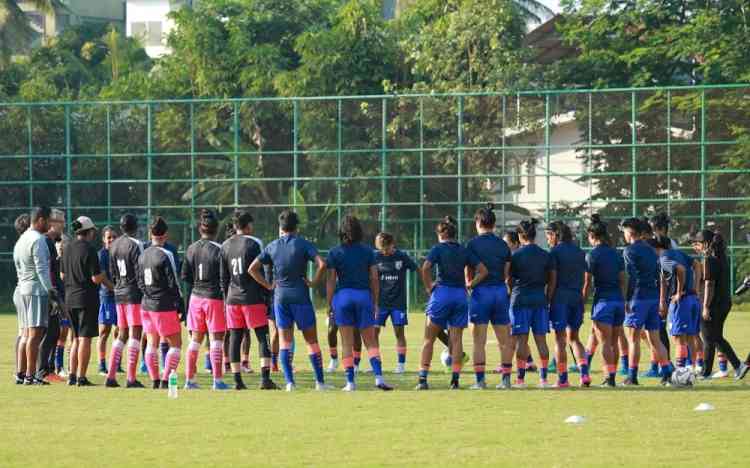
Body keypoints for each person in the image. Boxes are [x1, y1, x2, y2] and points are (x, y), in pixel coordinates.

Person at [249, 209, 330, 391]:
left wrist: (268, 285)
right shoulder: (303, 244)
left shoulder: (272, 246)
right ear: (297, 227)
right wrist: (313, 282)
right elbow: (322, 264)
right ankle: (320, 383)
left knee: (285, 341)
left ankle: (289, 383)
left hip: (280, 298)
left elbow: (252, 269)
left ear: (281, 227)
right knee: (312, 341)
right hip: (300, 296)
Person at [416, 216, 486, 390]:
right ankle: (455, 380)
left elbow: (425, 268)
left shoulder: (438, 249)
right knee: (456, 339)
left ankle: (423, 380)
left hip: (441, 294)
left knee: (428, 339)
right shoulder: (463, 250)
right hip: (460, 296)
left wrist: (428, 287)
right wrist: (471, 284)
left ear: (440, 235)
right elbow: (483, 271)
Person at [326, 215, 393, 391]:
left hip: (343, 298)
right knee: (370, 341)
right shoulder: (368, 252)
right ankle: (378, 378)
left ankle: (350, 382)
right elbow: (374, 278)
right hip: (364, 297)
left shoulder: (335, 252)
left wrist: (329, 303)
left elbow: (331, 280)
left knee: (346, 343)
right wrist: (376, 302)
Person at [220, 210, 279, 390]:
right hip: (252, 298)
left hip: (232, 298)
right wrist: (268, 289)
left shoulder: (224, 245)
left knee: (236, 337)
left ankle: (237, 381)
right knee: (262, 336)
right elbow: (263, 269)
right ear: (247, 226)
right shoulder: (254, 243)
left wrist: (226, 300)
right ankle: (265, 379)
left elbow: (223, 278)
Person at [621, 218, 673, 386]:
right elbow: (660, 276)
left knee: (633, 339)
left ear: (629, 232)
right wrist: (661, 300)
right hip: (652, 297)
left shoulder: (629, 250)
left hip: (638, 298)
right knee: (655, 339)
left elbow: (631, 277)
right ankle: (666, 374)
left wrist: (626, 299)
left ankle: (632, 376)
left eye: (624, 232)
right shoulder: (651, 250)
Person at [466, 204, 513, 390]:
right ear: (493, 224)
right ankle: (506, 381)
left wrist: (470, 284)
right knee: (505, 340)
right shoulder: (503, 244)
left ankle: (480, 382)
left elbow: (468, 271)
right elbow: (507, 272)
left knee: (479, 341)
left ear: (478, 222)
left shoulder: (472, 244)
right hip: (500, 291)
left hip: (481, 292)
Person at [181, 210, 229, 390]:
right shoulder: (220, 249)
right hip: (213, 298)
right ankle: (217, 381)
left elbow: (185, 275)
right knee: (217, 339)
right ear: (216, 229)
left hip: (195, 297)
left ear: (201, 229)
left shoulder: (191, 248)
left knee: (195, 340)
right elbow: (225, 277)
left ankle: (190, 380)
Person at [61, 216, 112, 386]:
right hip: (86, 299)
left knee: (75, 338)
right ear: (89, 232)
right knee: (85, 339)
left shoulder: (66, 247)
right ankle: (81, 377)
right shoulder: (90, 249)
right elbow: (96, 278)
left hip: (69, 298)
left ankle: (72, 375)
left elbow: (62, 275)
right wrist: (105, 276)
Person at [507, 219, 555, 388]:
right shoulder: (545, 255)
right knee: (541, 340)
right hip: (539, 300)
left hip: (520, 300)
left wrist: (511, 293)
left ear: (520, 236)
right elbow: (552, 279)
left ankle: (520, 380)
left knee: (521, 340)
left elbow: (508, 279)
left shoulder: (516, 256)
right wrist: (547, 298)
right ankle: (543, 380)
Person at [137, 216, 184, 390]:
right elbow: (174, 282)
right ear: (165, 235)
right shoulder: (167, 254)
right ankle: (165, 380)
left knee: (152, 343)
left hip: (146, 304)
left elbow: (139, 281)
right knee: (176, 344)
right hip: (162, 305)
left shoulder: (142, 255)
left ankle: (155, 379)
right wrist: (179, 302)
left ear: (151, 233)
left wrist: (148, 294)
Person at [14, 207, 57, 385]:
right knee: (35, 334)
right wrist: (51, 291)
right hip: (36, 291)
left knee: (25, 334)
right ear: (40, 220)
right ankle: (31, 376)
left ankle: (21, 373)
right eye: (48, 220)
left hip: (22, 288)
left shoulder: (22, 239)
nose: (50, 224)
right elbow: (41, 269)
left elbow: (17, 264)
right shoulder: (38, 240)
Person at [582, 214, 625, 387]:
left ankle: (609, 378)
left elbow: (587, 283)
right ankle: (609, 376)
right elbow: (624, 278)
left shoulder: (592, 255)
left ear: (592, 236)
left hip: (603, 302)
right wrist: (622, 299)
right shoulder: (616, 254)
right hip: (618, 302)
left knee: (605, 343)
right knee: (613, 342)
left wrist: (582, 303)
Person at [105, 214, 146, 389]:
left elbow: (112, 272)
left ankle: (111, 376)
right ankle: (130, 378)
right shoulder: (136, 245)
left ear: (121, 227)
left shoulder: (113, 245)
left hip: (119, 293)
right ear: (135, 227)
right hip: (133, 294)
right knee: (135, 334)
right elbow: (141, 271)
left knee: (122, 334)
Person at [546, 220, 588, 388]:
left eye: (549, 235)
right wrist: (582, 298)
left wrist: (548, 298)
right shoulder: (579, 252)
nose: (548, 239)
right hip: (576, 298)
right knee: (575, 338)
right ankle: (584, 374)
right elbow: (586, 277)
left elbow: (553, 278)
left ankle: (562, 379)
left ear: (556, 235)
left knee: (560, 340)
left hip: (560, 298)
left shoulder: (554, 252)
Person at [652, 235, 701, 374]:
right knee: (690, 337)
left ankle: (680, 373)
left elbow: (680, 269)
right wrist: (696, 288)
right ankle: (690, 370)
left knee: (679, 338)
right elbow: (697, 264)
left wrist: (679, 292)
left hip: (682, 301)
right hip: (692, 299)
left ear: (657, 248)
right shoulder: (680, 253)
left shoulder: (663, 258)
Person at [373, 231, 417, 374]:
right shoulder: (375, 257)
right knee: (374, 332)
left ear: (392, 245)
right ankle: (376, 363)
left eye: (387, 248)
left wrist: (429, 286)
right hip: (380, 303)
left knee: (399, 333)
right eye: (382, 249)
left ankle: (401, 365)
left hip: (398, 303)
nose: (384, 252)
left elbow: (417, 268)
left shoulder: (401, 256)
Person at [497, 230, 538, 374]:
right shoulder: (513, 257)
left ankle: (506, 364)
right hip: (517, 298)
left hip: (516, 299)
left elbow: (509, 279)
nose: (504, 247)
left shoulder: (516, 259)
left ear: (515, 243)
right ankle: (530, 361)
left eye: (506, 244)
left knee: (512, 333)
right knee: (518, 333)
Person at [36, 208, 66, 383]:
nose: (63, 225)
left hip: (53, 292)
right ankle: (43, 371)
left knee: (53, 332)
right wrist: (54, 294)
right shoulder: (46, 243)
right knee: (50, 332)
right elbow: (48, 272)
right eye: (61, 222)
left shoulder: (51, 243)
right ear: (52, 223)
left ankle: (47, 369)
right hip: (49, 294)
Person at [97, 226, 118, 375]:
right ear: (103, 239)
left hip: (121, 299)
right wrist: (116, 289)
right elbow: (102, 278)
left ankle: (116, 362)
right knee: (104, 331)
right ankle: (102, 365)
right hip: (107, 297)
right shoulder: (102, 255)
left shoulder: (119, 253)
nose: (111, 240)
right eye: (108, 237)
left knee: (121, 331)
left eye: (114, 237)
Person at [12, 214, 30, 383]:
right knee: (26, 333)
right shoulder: (25, 245)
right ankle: (21, 372)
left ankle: (19, 370)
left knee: (22, 333)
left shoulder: (19, 245)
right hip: (25, 291)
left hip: (20, 291)